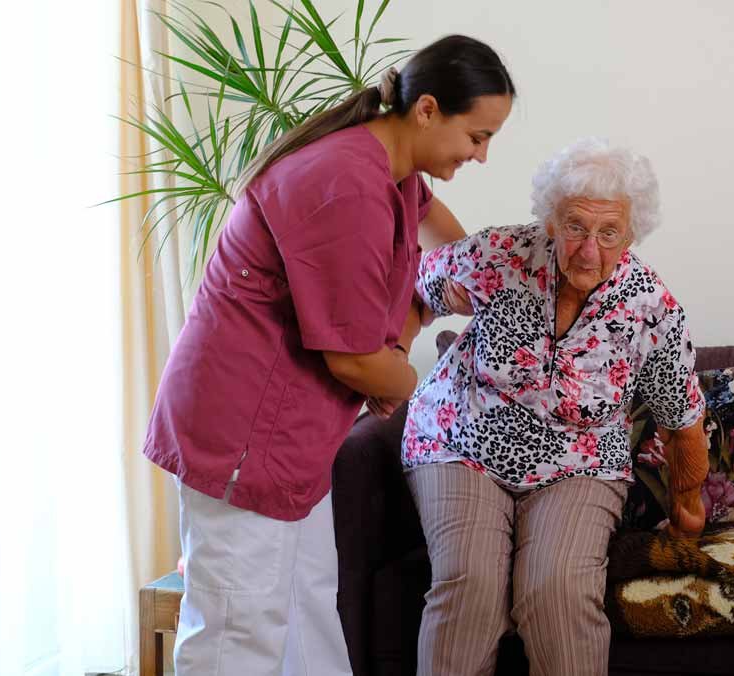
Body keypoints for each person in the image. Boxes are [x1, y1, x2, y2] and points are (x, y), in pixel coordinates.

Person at [142, 35, 515, 675]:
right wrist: (403, 349)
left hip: (293, 438)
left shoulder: (394, 174)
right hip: (243, 431)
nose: (481, 155)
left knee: (307, 615)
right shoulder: (345, 185)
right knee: (239, 634)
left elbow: (449, 252)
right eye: (476, 136)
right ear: (427, 110)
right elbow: (357, 363)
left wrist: (489, 287)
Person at [403, 137, 709, 676]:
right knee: (468, 583)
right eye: (575, 227)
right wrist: (392, 358)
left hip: (579, 465)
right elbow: (417, 284)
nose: (589, 249)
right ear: (551, 221)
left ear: (631, 234)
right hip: (460, 442)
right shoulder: (499, 255)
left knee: (557, 591)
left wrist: (687, 505)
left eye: (608, 232)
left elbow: (680, 419)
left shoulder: (651, 309)